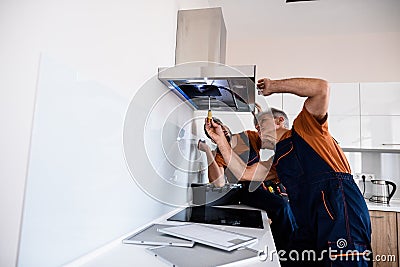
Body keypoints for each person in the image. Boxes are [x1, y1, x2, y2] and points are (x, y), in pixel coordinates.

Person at [205, 77, 372, 266]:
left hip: (340, 210)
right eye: (256, 126)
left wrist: (273, 86)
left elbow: (321, 88)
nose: (257, 127)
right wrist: (220, 141)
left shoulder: (306, 129)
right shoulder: (274, 159)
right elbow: (244, 174)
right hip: (307, 219)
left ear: (279, 121)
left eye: (261, 123)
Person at [198, 116, 297, 252]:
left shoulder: (248, 136)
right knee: (282, 207)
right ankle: (286, 252)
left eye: (221, 125)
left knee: (289, 207)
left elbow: (269, 140)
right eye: (217, 130)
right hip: (247, 190)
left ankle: (292, 244)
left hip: (265, 181)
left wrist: (262, 116)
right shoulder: (219, 155)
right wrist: (208, 152)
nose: (222, 129)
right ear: (213, 137)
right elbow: (219, 183)